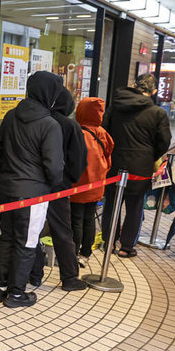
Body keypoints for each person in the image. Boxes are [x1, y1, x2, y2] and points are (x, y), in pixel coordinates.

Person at [0, 71, 64, 308]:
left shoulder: (11, 116)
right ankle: (16, 294)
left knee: (6, 237)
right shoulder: (49, 124)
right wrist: (49, 186)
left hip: (6, 190)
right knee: (27, 242)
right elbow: (54, 167)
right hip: (33, 194)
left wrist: (3, 179)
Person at [101, 73, 171, 258]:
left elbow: (104, 132)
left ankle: (108, 242)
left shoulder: (115, 107)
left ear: (133, 85)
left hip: (114, 164)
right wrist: (149, 156)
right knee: (135, 207)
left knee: (111, 205)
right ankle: (126, 247)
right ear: (154, 91)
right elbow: (164, 142)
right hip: (141, 169)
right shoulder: (158, 113)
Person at [33, 86, 88, 291]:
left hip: (35, 185)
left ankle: (34, 272)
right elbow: (79, 160)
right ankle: (69, 277)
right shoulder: (70, 125)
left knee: (32, 230)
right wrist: (69, 179)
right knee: (62, 231)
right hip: (60, 187)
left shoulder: (40, 120)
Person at [71, 97, 114, 267]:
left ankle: (72, 254)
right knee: (89, 219)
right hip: (96, 185)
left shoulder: (76, 132)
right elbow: (109, 158)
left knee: (75, 219)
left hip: (77, 186)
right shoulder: (103, 133)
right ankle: (85, 254)